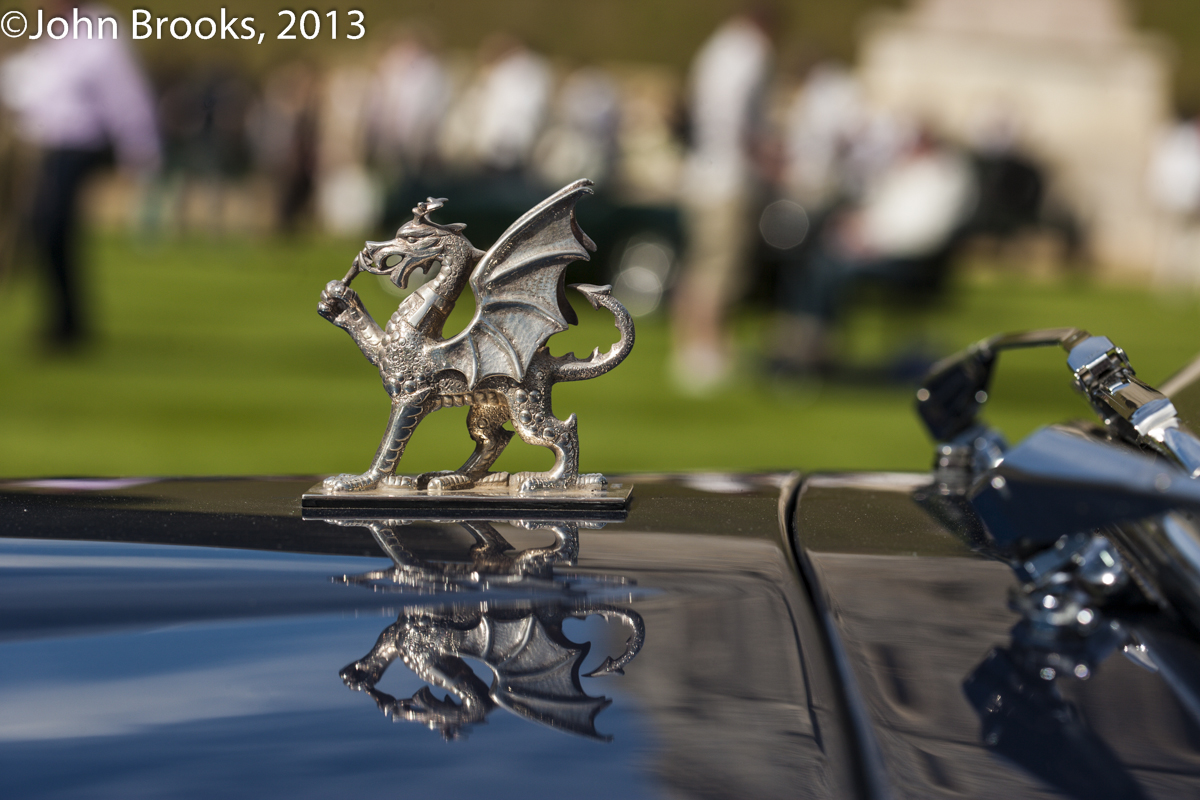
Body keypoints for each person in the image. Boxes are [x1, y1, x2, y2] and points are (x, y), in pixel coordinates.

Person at [0, 3, 159, 347]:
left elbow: (124, 93)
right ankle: (64, 321)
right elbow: (38, 87)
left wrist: (140, 147)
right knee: (46, 229)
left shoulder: (98, 33)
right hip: (45, 145)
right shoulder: (53, 36)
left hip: (79, 144)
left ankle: (69, 324)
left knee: (52, 226)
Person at [771, 129, 976, 374]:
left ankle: (811, 345)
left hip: (912, 262)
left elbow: (925, 232)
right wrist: (858, 229)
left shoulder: (947, 177)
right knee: (815, 261)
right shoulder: (908, 171)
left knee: (830, 269)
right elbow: (880, 212)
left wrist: (874, 243)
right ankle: (804, 338)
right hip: (880, 250)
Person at [671, 11, 773, 394]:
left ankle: (695, 347)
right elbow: (739, 120)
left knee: (701, 262)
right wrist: (767, 158)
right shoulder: (748, 53)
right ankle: (705, 350)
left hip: (705, 173)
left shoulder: (717, 49)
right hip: (727, 177)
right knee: (719, 268)